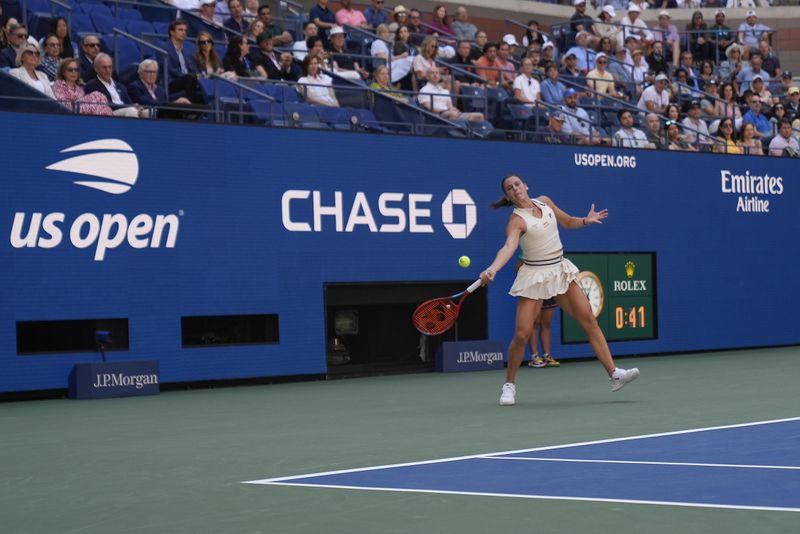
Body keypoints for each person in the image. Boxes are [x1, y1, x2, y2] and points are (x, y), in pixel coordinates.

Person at [479, 174, 640, 406]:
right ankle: (509, 385)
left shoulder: (545, 201)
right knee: (522, 333)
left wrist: (585, 220)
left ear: (526, 185)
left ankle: (615, 375)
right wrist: (493, 268)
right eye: (509, 188)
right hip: (534, 275)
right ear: (508, 196)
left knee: (589, 321)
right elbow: (508, 247)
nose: (515, 189)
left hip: (559, 269)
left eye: (517, 184)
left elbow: (567, 222)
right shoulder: (516, 221)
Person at [418, 66, 484, 122]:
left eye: (437, 73)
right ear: (427, 77)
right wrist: (445, 110)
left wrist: (453, 109)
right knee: (452, 114)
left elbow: (450, 106)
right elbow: (428, 107)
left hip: (449, 113)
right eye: (432, 73)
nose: (435, 75)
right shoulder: (424, 90)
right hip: (436, 115)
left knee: (479, 116)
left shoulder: (445, 91)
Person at [526, 298, 560, 368]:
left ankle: (546, 356)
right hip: (535, 292)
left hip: (548, 291)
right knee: (535, 323)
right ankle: (535, 356)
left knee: (546, 323)